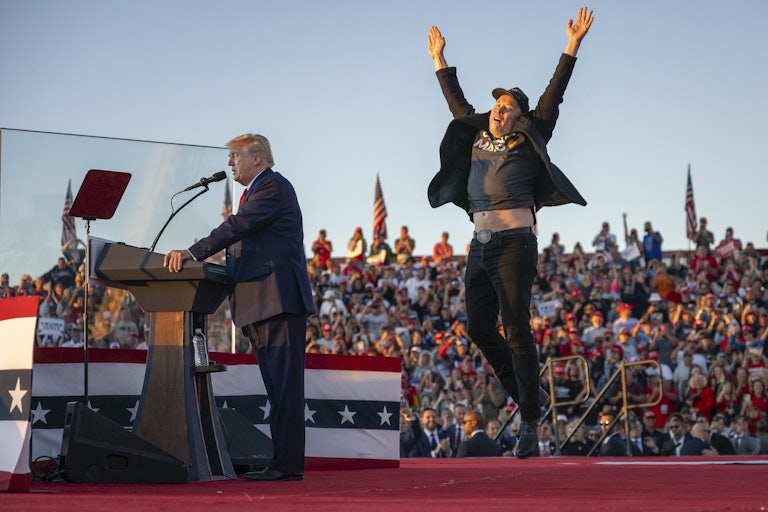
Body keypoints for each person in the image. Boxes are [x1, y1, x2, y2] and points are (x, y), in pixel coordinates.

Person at [426, 7, 594, 459]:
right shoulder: (476, 131)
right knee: (479, 328)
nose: (500, 109)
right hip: (479, 245)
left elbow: (554, 95)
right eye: (498, 104)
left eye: (509, 106)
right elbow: (457, 102)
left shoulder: (530, 134)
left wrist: (572, 45)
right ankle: (529, 397)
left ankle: (530, 422)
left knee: (517, 328)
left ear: (520, 116)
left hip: (515, 243)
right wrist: (439, 59)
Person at [164, 133, 314, 482]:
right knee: (277, 389)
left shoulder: (272, 187)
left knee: (285, 388)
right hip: (262, 302)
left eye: (235, 156)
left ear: (257, 158)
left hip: (277, 301)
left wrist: (193, 252)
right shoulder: (258, 190)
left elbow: (237, 226)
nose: (230, 162)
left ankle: (288, 464)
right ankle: (284, 461)